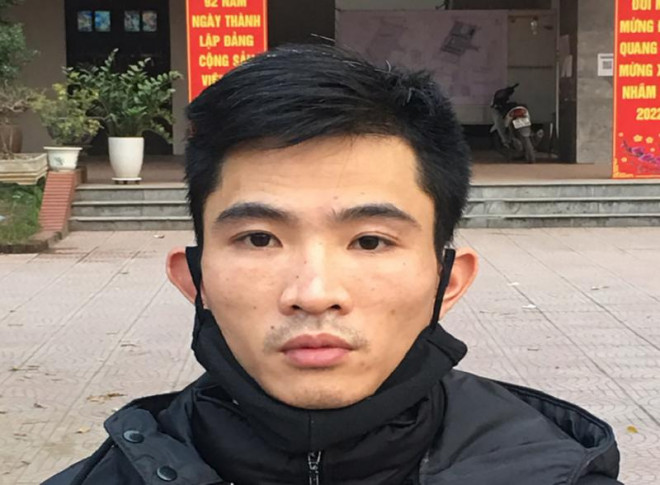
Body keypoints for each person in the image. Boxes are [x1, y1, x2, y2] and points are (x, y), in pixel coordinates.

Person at [44, 44, 621, 485]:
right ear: (195, 279)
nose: (314, 293)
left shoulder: (555, 470)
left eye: (370, 242)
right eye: (259, 239)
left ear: (449, 279)